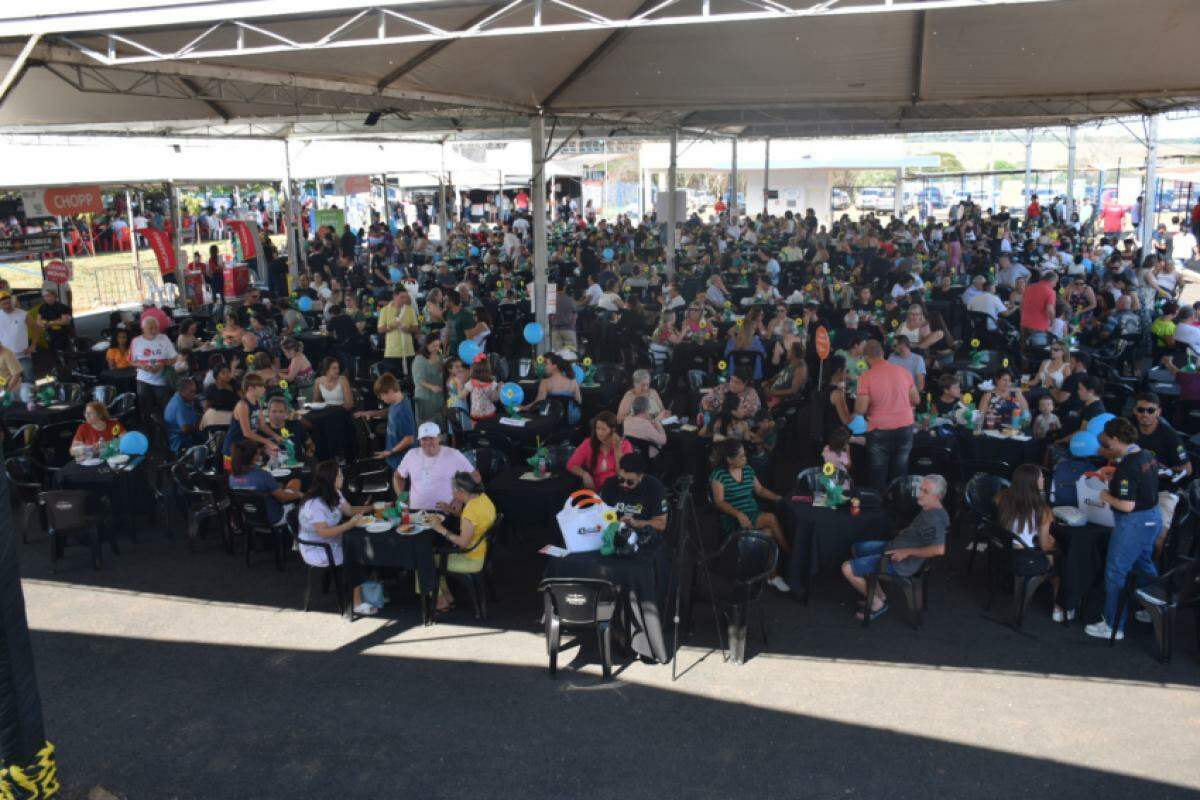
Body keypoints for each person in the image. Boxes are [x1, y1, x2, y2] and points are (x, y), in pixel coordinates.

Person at [1085, 417, 1161, 640]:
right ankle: (1153, 607)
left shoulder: (1128, 465)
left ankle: (1113, 624)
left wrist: (1104, 494)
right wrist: (1116, 477)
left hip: (1133, 523)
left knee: (1116, 571)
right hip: (1152, 517)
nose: (1107, 445)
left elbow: (1126, 505)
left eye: (1108, 441)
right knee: (1144, 563)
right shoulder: (1145, 455)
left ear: (1116, 439)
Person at [839, 474, 949, 622]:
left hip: (901, 562)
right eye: (920, 489)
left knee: (847, 568)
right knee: (857, 548)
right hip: (894, 548)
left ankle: (876, 604)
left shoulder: (935, 519)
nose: (919, 494)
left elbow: (939, 549)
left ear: (938, 496)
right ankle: (880, 596)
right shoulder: (930, 508)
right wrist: (907, 533)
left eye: (925, 492)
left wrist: (906, 552)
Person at [709, 439, 789, 591]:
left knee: (768, 533)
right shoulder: (718, 475)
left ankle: (773, 576)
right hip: (733, 518)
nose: (745, 458)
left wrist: (777, 497)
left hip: (752, 513)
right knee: (771, 519)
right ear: (729, 460)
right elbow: (719, 502)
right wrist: (738, 513)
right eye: (741, 456)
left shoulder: (747, 469)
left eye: (744, 455)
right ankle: (791, 556)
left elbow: (759, 490)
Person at [296, 460, 373, 615]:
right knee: (357, 554)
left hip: (331, 540)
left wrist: (373, 507)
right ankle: (356, 602)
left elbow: (349, 510)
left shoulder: (334, 492)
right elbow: (323, 532)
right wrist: (350, 525)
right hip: (317, 547)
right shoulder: (315, 503)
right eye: (339, 475)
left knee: (363, 547)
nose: (342, 478)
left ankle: (366, 591)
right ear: (331, 479)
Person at [996, 464, 1063, 619]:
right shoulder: (1042, 510)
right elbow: (1045, 545)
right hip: (1026, 560)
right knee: (1061, 561)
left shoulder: (1003, 498)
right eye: (1040, 476)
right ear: (1033, 482)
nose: (1043, 478)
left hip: (1005, 553)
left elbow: (1017, 528)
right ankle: (1058, 607)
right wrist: (1051, 546)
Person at [427, 471, 497, 612]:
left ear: (461, 492)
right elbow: (474, 522)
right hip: (483, 552)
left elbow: (463, 543)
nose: (451, 493)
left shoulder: (470, 511)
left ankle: (441, 601)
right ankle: (447, 596)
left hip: (472, 559)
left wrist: (440, 529)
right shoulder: (483, 498)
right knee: (432, 557)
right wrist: (451, 511)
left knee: (424, 561)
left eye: (453, 490)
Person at [1130, 391, 1191, 555]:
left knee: (1158, 537)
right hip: (1133, 489)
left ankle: (1152, 574)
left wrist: (1164, 471)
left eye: (1150, 410)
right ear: (1135, 410)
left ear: (1159, 412)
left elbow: (1187, 468)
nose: (1145, 414)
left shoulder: (1169, 436)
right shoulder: (1129, 429)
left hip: (1163, 491)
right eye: (1141, 410)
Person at [854, 339, 918, 491]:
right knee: (900, 473)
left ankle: (879, 510)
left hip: (879, 430)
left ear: (866, 357)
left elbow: (861, 409)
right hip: (905, 427)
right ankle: (899, 507)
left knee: (878, 474)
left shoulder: (865, 377)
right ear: (882, 353)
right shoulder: (904, 372)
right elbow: (916, 399)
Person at [394, 422, 479, 512]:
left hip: (446, 511)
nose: (428, 442)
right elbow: (398, 476)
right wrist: (401, 497)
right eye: (424, 439)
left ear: (439, 438)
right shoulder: (411, 454)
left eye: (431, 438)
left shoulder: (453, 454)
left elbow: (475, 477)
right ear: (419, 441)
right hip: (416, 513)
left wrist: (460, 499)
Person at [228, 439, 303, 528]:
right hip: (273, 518)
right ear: (254, 457)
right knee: (295, 486)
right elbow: (283, 498)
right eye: (258, 453)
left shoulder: (231, 477)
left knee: (293, 483)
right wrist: (300, 495)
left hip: (248, 518)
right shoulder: (263, 475)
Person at [221, 373, 280, 469]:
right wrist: (268, 442)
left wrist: (275, 436)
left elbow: (262, 425)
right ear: (250, 388)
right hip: (232, 450)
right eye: (261, 386)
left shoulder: (257, 402)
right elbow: (247, 433)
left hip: (245, 449)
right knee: (236, 480)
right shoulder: (242, 405)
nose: (264, 389)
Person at [600, 452, 668, 534]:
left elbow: (661, 524)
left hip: (642, 534)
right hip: (613, 531)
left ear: (640, 477)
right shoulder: (609, 484)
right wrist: (616, 523)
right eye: (621, 479)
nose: (624, 484)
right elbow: (600, 514)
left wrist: (635, 523)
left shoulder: (656, 488)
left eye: (630, 482)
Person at [567, 411, 633, 490]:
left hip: (617, 489)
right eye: (598, 428)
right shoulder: (588, 443)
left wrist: (617, 449)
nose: (600, 433)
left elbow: (623, 474)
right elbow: (571, 464)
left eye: (603, 429)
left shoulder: (625, 445)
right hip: (595, 490)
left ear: (613, 430)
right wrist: (585, 474)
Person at [131, 309, 177, 420]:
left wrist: (162, 364)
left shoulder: (164, 339)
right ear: (143, 329)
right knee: (146, 410)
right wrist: (142, 366)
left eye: (156, 328)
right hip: (143, 380)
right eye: (150, 328)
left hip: (161, 380)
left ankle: (167, 430)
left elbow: (174, 358)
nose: (154, 330)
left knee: (165, 408)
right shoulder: (136, 341)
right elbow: (131, 361)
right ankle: (149, 432)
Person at [374, 372, 416, 471]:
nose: (381, 399)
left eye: (382, 395)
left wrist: (391, 452)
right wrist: (371, 413)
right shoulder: (397, 401)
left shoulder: (402, 410)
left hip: (402, 461)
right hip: (394, 459)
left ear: (390, 391)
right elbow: (389, 412)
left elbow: (409, 439)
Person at [524, 352, 581, 424]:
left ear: (555, 366)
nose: (543, 366)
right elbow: (579, 401)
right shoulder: (573, 381)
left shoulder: (545, 382)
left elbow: (538, 403)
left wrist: (523, 407)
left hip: (551, 419)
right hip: (571, 419)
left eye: (546, 363)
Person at [377, 286, 419, 375]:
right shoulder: (385, 310)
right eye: (402, 297)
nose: (404, 300)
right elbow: (380, 329)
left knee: (409, 380)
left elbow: (416, 328)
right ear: (394, 296)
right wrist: (391, 327)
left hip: (408, 351)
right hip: (391, 352)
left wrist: (408, 329)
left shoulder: (410, 310)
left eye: (405, 297)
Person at [411, 334, 445, 427]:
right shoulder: (420, 359)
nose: (436, 348)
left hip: (438, 396)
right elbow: (418, 380)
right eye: (433, 345)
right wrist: (431, 387)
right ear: (426, 345)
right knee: (427, 423)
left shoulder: (439, 357)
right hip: (425, 396)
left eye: (438, 345)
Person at [163, 377, 202, 453]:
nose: (194, 395)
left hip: (183, 435)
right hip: (180, 441)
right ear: (183, 392)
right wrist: (200, 426)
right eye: (191, 392)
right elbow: (185, 429)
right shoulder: (178, 405)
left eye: (195, 392)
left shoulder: (181, 398)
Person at [1020, 270, 1058, 340]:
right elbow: (1050, 310)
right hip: (1039, 325)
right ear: (1052, 281)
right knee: (1037, 349)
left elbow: (1021, 304)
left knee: (1024, 349)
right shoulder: (1051, 292)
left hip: (1024, 322)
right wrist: (1052, 322)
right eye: (1055, 282)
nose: (1055, 285)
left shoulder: (1029, 287)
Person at [465, 358, 500, 422]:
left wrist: (459, 384)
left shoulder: (471, 382)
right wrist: (499, 388)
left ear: (473, 370)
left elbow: (463, 395)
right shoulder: (492, 382)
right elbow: (495, 398)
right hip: (489, 412)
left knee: (477, 430)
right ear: (488, 369)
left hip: (476, 414)